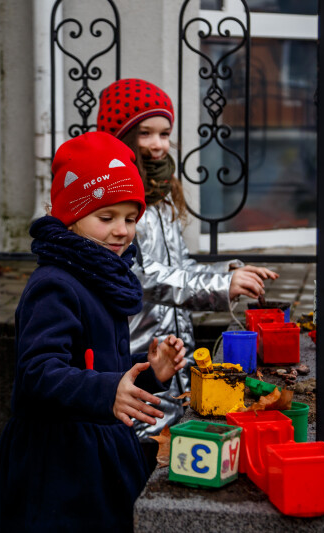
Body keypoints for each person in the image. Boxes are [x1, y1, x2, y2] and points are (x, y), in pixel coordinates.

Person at [0, 131, 187, 532]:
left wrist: (149, 371)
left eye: (130, 219)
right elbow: (38, 373)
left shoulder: (101, 275)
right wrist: (108, 391)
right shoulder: (55, 285)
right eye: (106, 218)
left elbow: (97, 368)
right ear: (71, 217)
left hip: (101, 453)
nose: (121, 231)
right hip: (58, 469)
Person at [97, 78, 279, 436]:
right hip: (136, 356)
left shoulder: (162, 191)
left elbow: (178, 268)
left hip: (174, 360)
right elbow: (141, 278)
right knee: (142, 448)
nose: (157, 144)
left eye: (164, 134)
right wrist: (220, 285)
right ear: (121, 137)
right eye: (145, 133)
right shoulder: (114, 199)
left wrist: (229, 272)